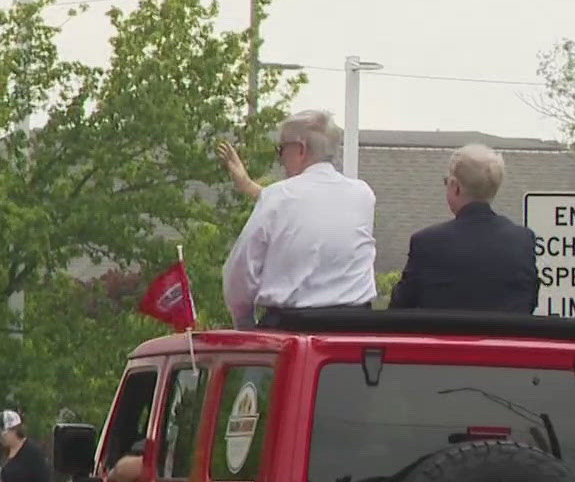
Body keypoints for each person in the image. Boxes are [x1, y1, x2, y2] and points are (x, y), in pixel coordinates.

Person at [221, 110, 379, 329]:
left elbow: (240, 271)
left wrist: (244, 323)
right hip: (356, 331)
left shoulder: (278, 197)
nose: (281, 158)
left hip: (290, 330)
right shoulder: (363, 195)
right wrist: (251, 187)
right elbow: (312, 206)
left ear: (300, 148)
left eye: (282, 149)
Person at [389, 144, 539, 313]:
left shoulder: (427, 242)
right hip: (507, 338)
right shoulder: (522, 240)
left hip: (443, 337)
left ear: (455, 186)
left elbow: (399, 308)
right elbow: (529, 301)